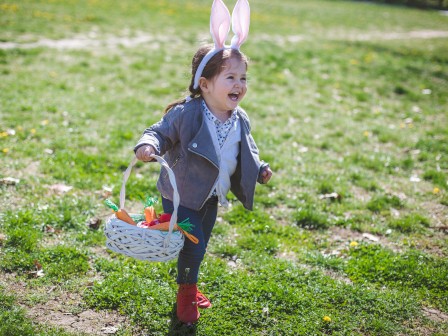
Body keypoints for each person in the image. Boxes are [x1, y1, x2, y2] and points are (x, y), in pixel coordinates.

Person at [134, 0, 272, 324]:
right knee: (192, 246)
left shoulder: (240, 119)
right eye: (231, 77)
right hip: (182, 193)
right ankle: (186, 296)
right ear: (205, 83)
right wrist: (147, 145)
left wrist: (261, 167)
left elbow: (247, 149)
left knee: (201, 243)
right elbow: (159, 131)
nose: (239, 85)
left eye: (243, 77)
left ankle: (189, 281)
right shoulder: (188, 113)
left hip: (211, 195)